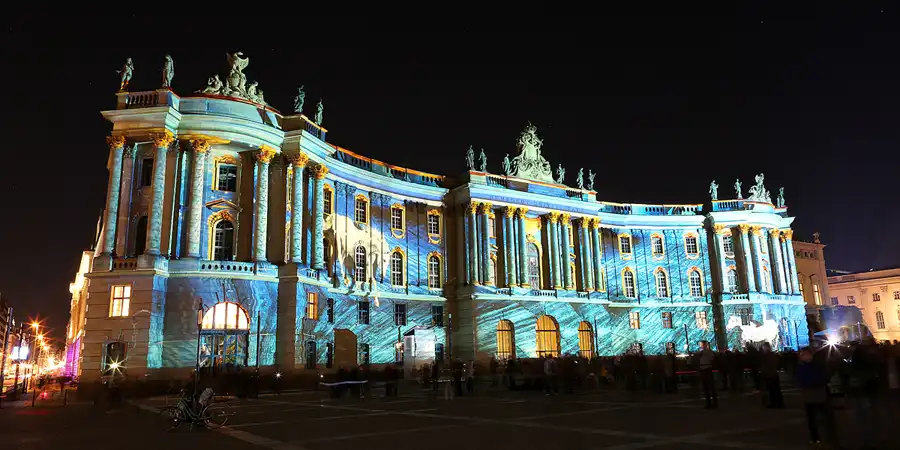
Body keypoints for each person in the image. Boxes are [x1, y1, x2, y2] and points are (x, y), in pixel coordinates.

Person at [796, 347, 835, 446]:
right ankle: (815, 437)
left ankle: (828, 438)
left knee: (824, 417)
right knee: (811, 419)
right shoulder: (801, 368)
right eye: (803, 355)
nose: (806, 356)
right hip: (808, 396)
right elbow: (801, 381)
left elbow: (823, 377)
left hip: (819, 394)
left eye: (807, 354)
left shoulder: (818, 365)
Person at [760, 342, 784, 408]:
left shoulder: (767, 356)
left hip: (770, 374)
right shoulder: (773, 355)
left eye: (764, 347)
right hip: (773, 374)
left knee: (773, 390)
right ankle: (778, 403)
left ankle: (775, 403)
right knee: (775, 390)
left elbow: (766, 365)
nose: (763, 349)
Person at [696, 340, 717, 408]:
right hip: (704, 369)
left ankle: (712, 403)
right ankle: (710, 403)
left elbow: (712, 360)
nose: (701, 346)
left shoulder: (708, 352)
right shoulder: (703, 352)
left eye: (701, 344)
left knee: (709, 387)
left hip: (707, 369)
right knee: (707, 387)